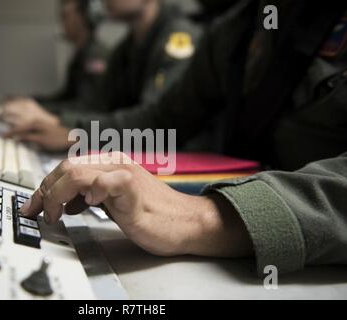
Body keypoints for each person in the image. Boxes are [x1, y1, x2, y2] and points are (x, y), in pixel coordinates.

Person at [20, 0, 347, 276]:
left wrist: (205, 217)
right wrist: (76, 131)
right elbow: (164, 118)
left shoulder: (184, 33)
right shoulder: (238, 27)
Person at [2, 0, 202, 151]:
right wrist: (61, 121)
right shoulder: (125, 49)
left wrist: (73, 129)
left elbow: (156, 124)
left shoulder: (179, 39)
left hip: (183, 161)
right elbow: (97, 106)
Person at [3, 0, 109, 124]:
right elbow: (66, 97)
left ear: (84, 17)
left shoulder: (95, 56)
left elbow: (86, 108)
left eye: (65, 16)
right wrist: (32, 102)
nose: (62, 22)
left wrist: (39, 110)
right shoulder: (83, 52)